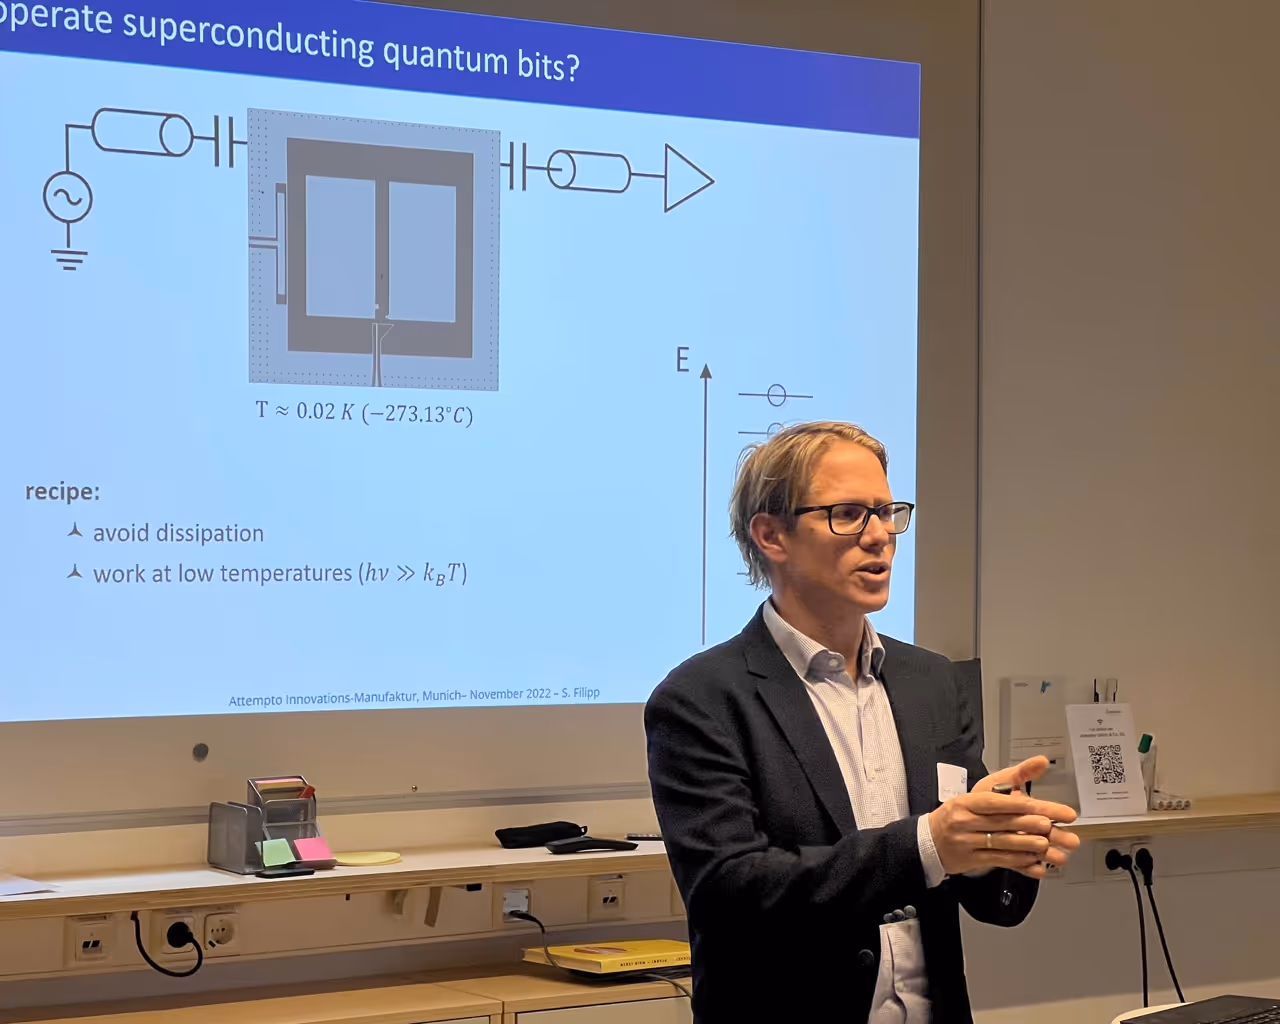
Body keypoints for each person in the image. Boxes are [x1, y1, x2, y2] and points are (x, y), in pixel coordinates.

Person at [645, 421, 1080, 1023]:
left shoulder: (932, 681)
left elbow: (983, 891)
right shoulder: (701, 699)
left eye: (886, 512)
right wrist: (927, 845)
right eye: (847, 514)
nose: (879, 536)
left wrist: (996, 842)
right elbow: (729, 894)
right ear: (771, 535)